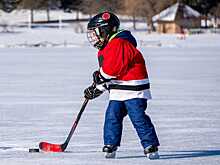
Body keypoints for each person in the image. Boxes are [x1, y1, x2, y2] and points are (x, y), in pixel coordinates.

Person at [84, 11, 160, 159]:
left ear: (105, 30)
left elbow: (112, 69)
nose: (93, 38)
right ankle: (110, 144)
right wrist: (97, 88)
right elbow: (110, 76)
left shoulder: (120, 43)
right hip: (118, 91)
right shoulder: (106, 48)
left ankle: (150, 145)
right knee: (112, 116)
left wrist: (100, 76)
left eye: (96, 33)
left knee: (138, 117)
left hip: (134, 90)